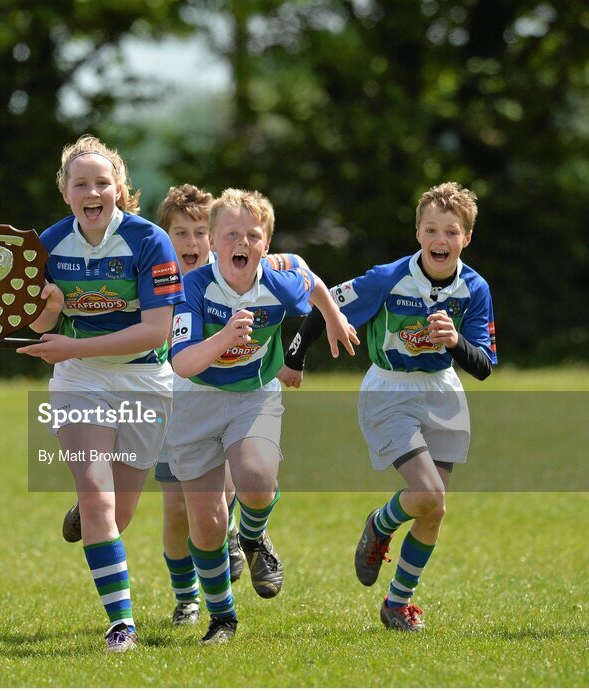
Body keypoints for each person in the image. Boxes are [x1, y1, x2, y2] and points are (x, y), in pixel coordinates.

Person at [280, 181, 495, 632]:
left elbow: (484, 366)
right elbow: (323, 309)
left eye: (452, 232)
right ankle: (380, 523)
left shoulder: (475, 289)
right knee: (427, 495)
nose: (441, 240)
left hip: (444, 392)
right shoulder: (388, 277)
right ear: (418, 232)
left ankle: (397, 603)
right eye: (432, 229)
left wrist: (454, 341)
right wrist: (294, 361)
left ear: (467, 238)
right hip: (389, 392)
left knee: (434, 510)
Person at [168, 188, 357, 644]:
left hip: (254, 395)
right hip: (194, 398)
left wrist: (331, 316)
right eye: (231, 233)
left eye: (253, 235)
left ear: (265, 245)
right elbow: (183, 362)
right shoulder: (193, 287)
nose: (242, 242)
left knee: (256, 481)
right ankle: (222, 618)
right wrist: (225, 337)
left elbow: (309, 280)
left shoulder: (276, 279)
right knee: (208, 523)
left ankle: (252, 538)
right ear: (213, 241)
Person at [18, 135, 184, 653]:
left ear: (121, 189)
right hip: (80, 379)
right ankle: (122, 625)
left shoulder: (150, 241)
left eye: (102, 182)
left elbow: (157, 331)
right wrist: (49, 315)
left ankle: (92, 514)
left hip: (144, 381)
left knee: (120, 514)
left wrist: (71, 341)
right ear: (66, 193)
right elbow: (38, 323)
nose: (93, 191)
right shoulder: (47, 245)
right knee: (97, 495)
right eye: (81, 183)